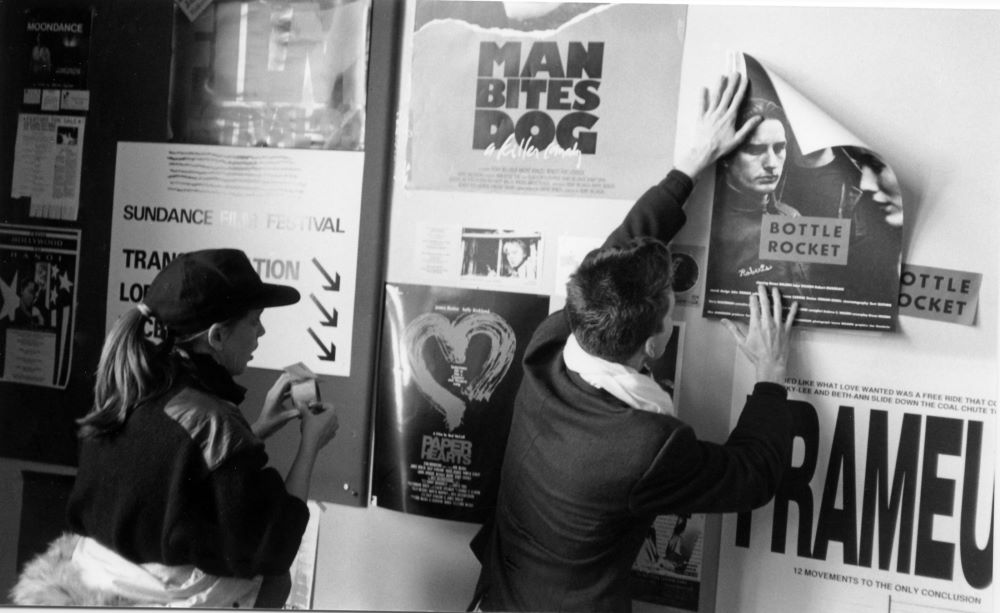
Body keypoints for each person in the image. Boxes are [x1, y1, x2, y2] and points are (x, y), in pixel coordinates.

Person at [469, 73, 799, 612]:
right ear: (654, 343)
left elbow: (617, 252)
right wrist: (770, 376)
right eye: (668, 306)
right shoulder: (646, 446)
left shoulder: (551, 343)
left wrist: (689, 165)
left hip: (500, 596)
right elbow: (751, 477)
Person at [12, 249, 340, 608]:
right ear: (216, 337)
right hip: (152, 592)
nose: (261, 331)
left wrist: (259, 427)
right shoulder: (211, 417)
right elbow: (273, 547)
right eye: (254, 321)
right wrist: (310, 445)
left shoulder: (137, 387)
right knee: (275, 582)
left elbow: (178, 476)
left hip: (90, 575)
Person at [707, 97, 810, 293]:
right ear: (727, 156)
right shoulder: (712, 228)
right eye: (755, 150)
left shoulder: (793, 216)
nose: (772, 163)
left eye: (779, 148)